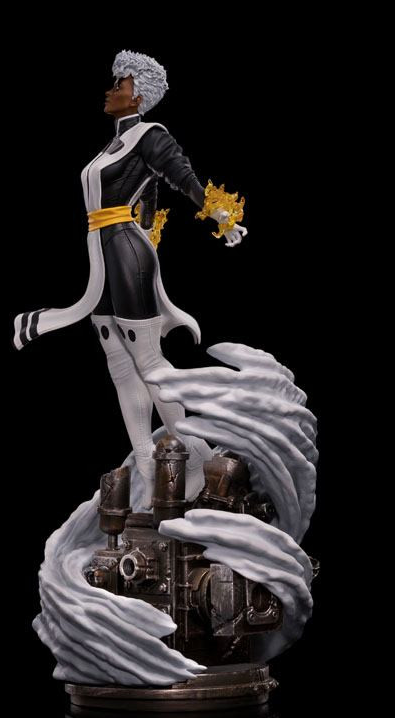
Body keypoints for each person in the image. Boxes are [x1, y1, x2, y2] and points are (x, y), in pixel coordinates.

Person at [13, 50, 247, 504]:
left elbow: (181, 176)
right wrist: (149, 232)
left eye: (118, 84)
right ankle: (145, 463)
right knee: (118, 362)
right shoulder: (114, 145)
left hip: (123, 251)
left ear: (137, 94)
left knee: (148, 360)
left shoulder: (150, 134)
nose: (109, 90)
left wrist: (221, 215)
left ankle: (196, 456)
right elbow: (150, 196)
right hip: (105, 252)